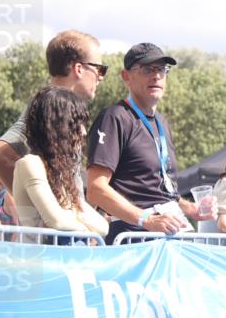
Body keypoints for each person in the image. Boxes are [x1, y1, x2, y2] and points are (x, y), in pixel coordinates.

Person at [85, 42, 214, 244]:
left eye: (162, 69)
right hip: (133, 239)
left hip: (169, 234)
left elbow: (157, 191)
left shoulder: (162, 123)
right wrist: (147, 220)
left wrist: (190, 208)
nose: (156, 76)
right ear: (126, 76)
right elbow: (96, 189)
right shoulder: (115, 117)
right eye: (147, 69)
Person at [0, 30, 107, 221]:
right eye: (100, 69)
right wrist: (40, 212)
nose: (101, 77)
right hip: (56, 235)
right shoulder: (48, 108)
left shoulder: (60, 108)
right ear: (78, 68)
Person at [11, 86, 108, 240]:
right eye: (76, 124)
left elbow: (103, 226)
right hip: (38, 255)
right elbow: (58, 221)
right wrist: (80, 219)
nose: (83, 132)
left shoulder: (61, 173)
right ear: (56, 126)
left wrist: (74, 216)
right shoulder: (30, 164)